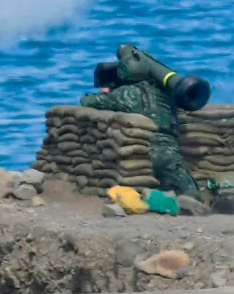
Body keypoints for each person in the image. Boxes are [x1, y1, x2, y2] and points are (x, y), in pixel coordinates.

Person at [79, 48, 209, 215]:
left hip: (146, 149)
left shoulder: (126, 94)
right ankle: (181, 201)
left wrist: (104, 93)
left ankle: (163, 201)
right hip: (170, 148)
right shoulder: (164, 92)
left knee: (145, 188)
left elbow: (88, 101)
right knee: (189, 190)